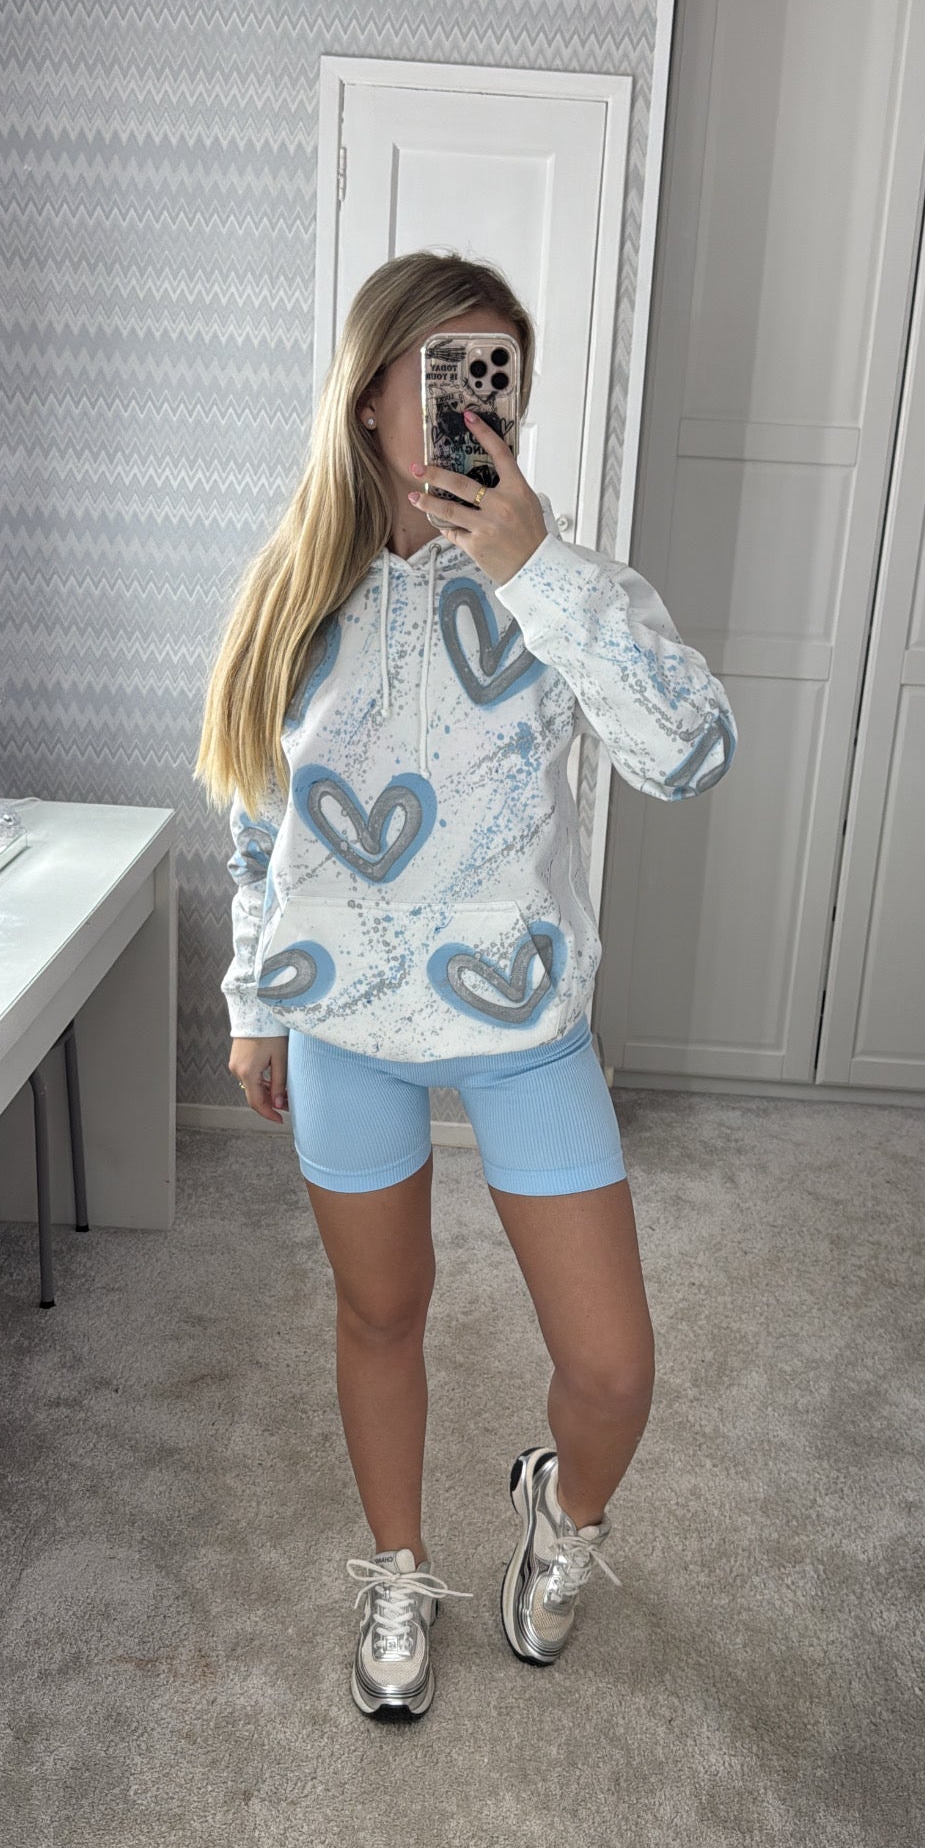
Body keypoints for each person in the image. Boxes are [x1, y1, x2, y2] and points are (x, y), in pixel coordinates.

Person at [194, 250, 737, 1722]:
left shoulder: (556, 584)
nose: (472, 407)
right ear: (373, 395)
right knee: (383, 1313)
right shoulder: (293, 592)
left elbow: (691, 754)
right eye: (444, 372)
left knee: (613, 1369)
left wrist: (536, 571)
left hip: (521, 1017)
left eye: (496, 378)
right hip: (344, 1022)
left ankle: (562, 1514)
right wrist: (255, 1001)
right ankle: (397, 1565)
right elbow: (258, 822)